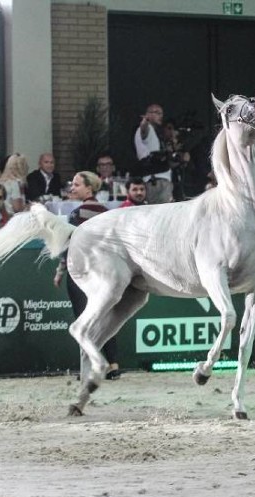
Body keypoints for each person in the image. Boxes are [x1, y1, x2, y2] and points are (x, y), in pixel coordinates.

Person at [53, 170, 121, 380]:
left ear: (89, 188)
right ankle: (113, 363)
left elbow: (71, 245)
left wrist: (60, 270)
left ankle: (92, 366)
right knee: (105, 318)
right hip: (106, 272)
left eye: (76, 184)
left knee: (84, 320)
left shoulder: (78, 214)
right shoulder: (107, 212)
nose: (72, 188)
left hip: (82, 272)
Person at [134, 103, 173, 204]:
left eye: (161, 114)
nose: (161, 116)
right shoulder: (148, 129)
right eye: (157, 113)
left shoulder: (157, 132)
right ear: (148, 114)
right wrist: (145, 122)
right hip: (156, 181)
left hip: (160, 179)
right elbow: (143, 130)